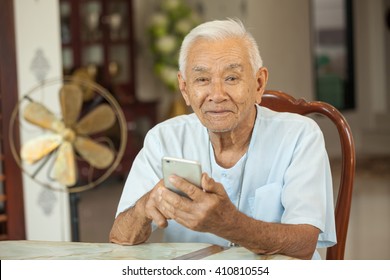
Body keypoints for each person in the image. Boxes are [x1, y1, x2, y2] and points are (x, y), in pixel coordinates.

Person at [109, 19, 336, 260]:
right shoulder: (163, 139)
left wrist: (228, 223)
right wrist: (145, 207)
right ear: (185, 89)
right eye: (202, 80)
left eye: (231, 78)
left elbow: (304, 244)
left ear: (259, 84)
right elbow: (120, 237)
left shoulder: (300, 136)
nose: (217, 95)